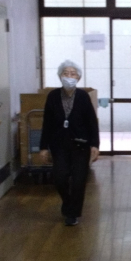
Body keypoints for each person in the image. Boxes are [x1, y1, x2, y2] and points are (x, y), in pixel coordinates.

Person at [39, 60, 99, 225]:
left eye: (73, 74)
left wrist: (95, 145)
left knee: (79, 181)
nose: (69, 76)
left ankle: (73, 214)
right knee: (60, 178)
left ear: (78, 78)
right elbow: (47, 123)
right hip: (59, 145)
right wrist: (43, 147)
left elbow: (91, 122)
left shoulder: (83, 96)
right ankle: (68, 202)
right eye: (66, 73)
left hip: (81, 145)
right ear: (60, 76)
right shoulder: (53, 96)